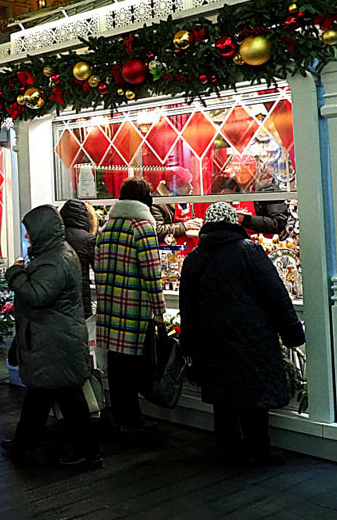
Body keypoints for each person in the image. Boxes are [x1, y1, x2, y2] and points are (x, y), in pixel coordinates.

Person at [179, 202, 305, 465]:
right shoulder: (249, 251)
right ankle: (259, 451)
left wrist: (188, 347)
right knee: (254, 400)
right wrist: (292, 332)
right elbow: (276, 294)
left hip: (211, 343)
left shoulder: (194, 259)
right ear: (233, 223)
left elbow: (187, 308)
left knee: (222, 402)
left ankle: (228, 450)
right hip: (251, 338)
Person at [1, 205, 101, 469]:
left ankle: (87, 453)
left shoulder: (56, 259)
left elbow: (36, 295)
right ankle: (24, 443)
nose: (26, 238)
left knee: (69, 398)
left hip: (56, 340)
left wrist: (14, 273)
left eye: (29, 233)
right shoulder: (53, 255)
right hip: (52, 339)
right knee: (41, 394)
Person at [94, 177, 165, 441]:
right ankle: (133, 422)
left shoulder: (107, 227)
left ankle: (122, 418)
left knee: (116, 367)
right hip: (134, 309)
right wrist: (159, 313)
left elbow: (98, 267)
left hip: (110, 307)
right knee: (135, 368)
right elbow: (152, 273)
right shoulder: (142, 226)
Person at [59, 200, 96, 319]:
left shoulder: (56, 236)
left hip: (59, 295)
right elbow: (99, 269)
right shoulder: (88, 239)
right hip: (81, 294)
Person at [152, 166, 202, 243]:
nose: (191, 188)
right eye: (186, 185)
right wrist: (184, 226)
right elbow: (157, 231)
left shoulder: (184, 198)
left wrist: (195, 224)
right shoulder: (157, 202)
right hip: (169, 251)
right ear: (174, 187)